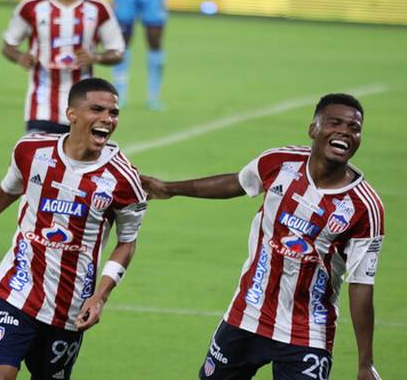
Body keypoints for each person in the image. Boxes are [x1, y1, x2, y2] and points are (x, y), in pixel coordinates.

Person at [141, 94, 384, 380]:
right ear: (313, 129)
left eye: (354, 128)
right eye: (335, 123)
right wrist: (170, 188)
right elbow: (236, 183)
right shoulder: (280, 163)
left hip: (308, 331)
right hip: (248, 312)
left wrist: (365, 363)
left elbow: (361, 285)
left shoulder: (365, 207)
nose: (344, 131)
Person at [0, 78, 147, 380]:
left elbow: (127, 242)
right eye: (97, 110)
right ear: (72, 114)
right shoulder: (31, 150)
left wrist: (101, 295)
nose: (108, 119)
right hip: (16, 288)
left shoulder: (124, 179)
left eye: (114, 113)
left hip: (70, 307)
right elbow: (6, 191)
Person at [2, 0, 125, 134]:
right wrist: (19, 57)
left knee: (83, 154)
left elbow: (117, 51)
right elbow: (8, 45)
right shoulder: (31, 7)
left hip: (84, 109)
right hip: (42, 105)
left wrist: (97, 57)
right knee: (37, 153)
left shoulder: (98, 8)